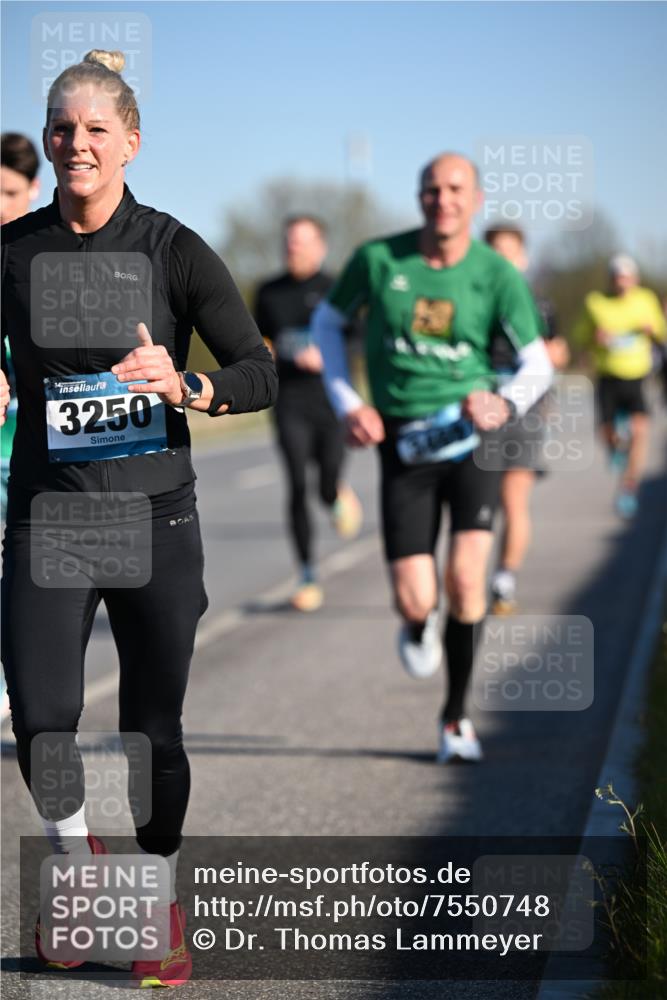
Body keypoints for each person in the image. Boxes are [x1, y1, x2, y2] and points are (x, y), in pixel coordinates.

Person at [0, 49, 277, 986]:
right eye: (61, 128)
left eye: (93, 130)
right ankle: (85, 884)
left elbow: (259, 368)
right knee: (43, 719)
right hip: (49, 519)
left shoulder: (173, 248)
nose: (75, 143)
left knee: (152, 732)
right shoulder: (13, 251)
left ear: (130, 142)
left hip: (156, 522)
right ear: (48, 139)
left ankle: (156, 897)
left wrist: (190, 382)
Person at [313, 152, 552, 762]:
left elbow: (538, 363)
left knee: (467, 580)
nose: (441, 199)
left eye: (454, 189)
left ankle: (454, 720)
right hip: (403, 443)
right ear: (419, 197)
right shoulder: (378, 259)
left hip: (473, 438)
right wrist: (348, 404)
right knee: (417, 596)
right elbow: (325, 324)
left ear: (476, 199)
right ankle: (419, 624)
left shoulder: (496, 273)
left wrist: (502, 402)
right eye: (430, 189)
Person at [254, 215, 362, 612]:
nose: (293, 249)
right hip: (289, 401)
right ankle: (306, 575)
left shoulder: (336, 289)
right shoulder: (268, 292)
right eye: (288, 242)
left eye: (301, 242)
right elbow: (256, 337)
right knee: (297, 483)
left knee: (326, 481)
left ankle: (335, 494)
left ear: (321, 247)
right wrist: (263, 353)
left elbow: (360, 336)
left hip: (330, 399)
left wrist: (330, 354)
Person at [483, 222, 570, 615]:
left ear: (523, 258)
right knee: (479, 503)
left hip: (526, 413)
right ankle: (466, 576)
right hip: (478, 412)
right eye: (494, 251)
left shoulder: (540, 306)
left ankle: (504, 578)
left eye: (510, 252)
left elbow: (558, 354)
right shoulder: (472, 301)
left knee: (514, 500)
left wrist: (548, 359)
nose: (502, 259)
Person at [572, 254, 665, 519]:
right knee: (607, 432)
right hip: (608, 376)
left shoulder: (646, 300)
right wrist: (594, 336)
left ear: (635, 279)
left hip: (636, 375)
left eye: (627, 277)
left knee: (640, 432)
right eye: (617, 277)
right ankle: (614, 447)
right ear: (610, 279)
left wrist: (652, 328)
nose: (622, 282)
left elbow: (661, 330)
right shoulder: (595, 302)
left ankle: (629, 487)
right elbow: (580, 335)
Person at [1, 133, 41, 513]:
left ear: (34, 188)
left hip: (40, 463)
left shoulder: (55, 262)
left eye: (10, 193)